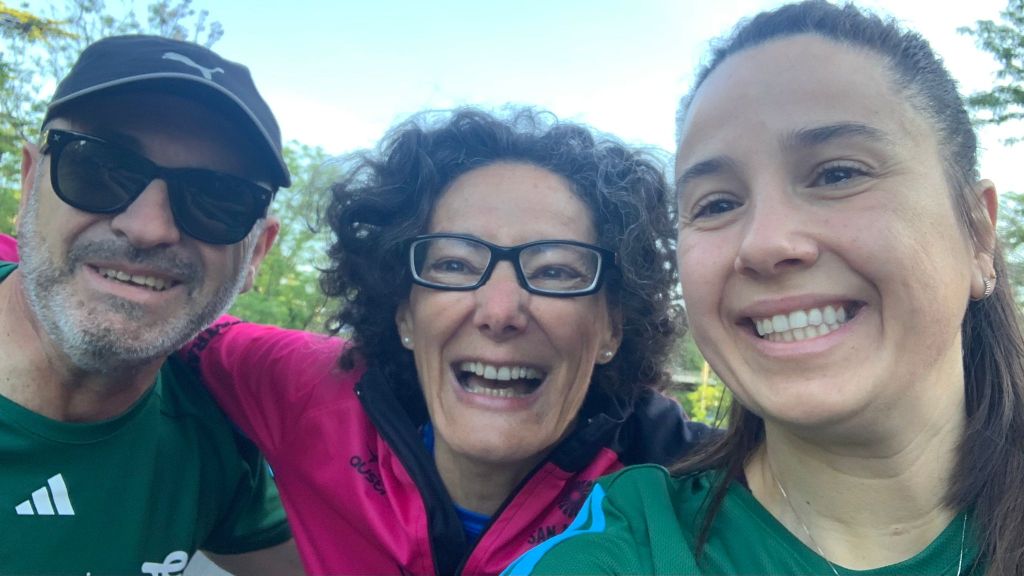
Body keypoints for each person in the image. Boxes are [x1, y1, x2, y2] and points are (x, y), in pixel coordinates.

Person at [502, 2, 1024, 575]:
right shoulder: (632, 546)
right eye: (717, 204)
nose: (765, 243)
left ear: (978, 233)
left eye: (838, 174)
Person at [181, 107, 714, 575]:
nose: (500, 312)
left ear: (612, 327)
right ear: (405, 313)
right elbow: (167, 331)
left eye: (555, 272)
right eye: (454, 265)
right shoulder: (309, 392)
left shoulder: (692, 489)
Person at [0, 35, 302, 574]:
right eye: (100, 168)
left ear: (256, 253)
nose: (148, 227)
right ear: (28, 186)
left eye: (217, 198)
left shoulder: (213, 439)